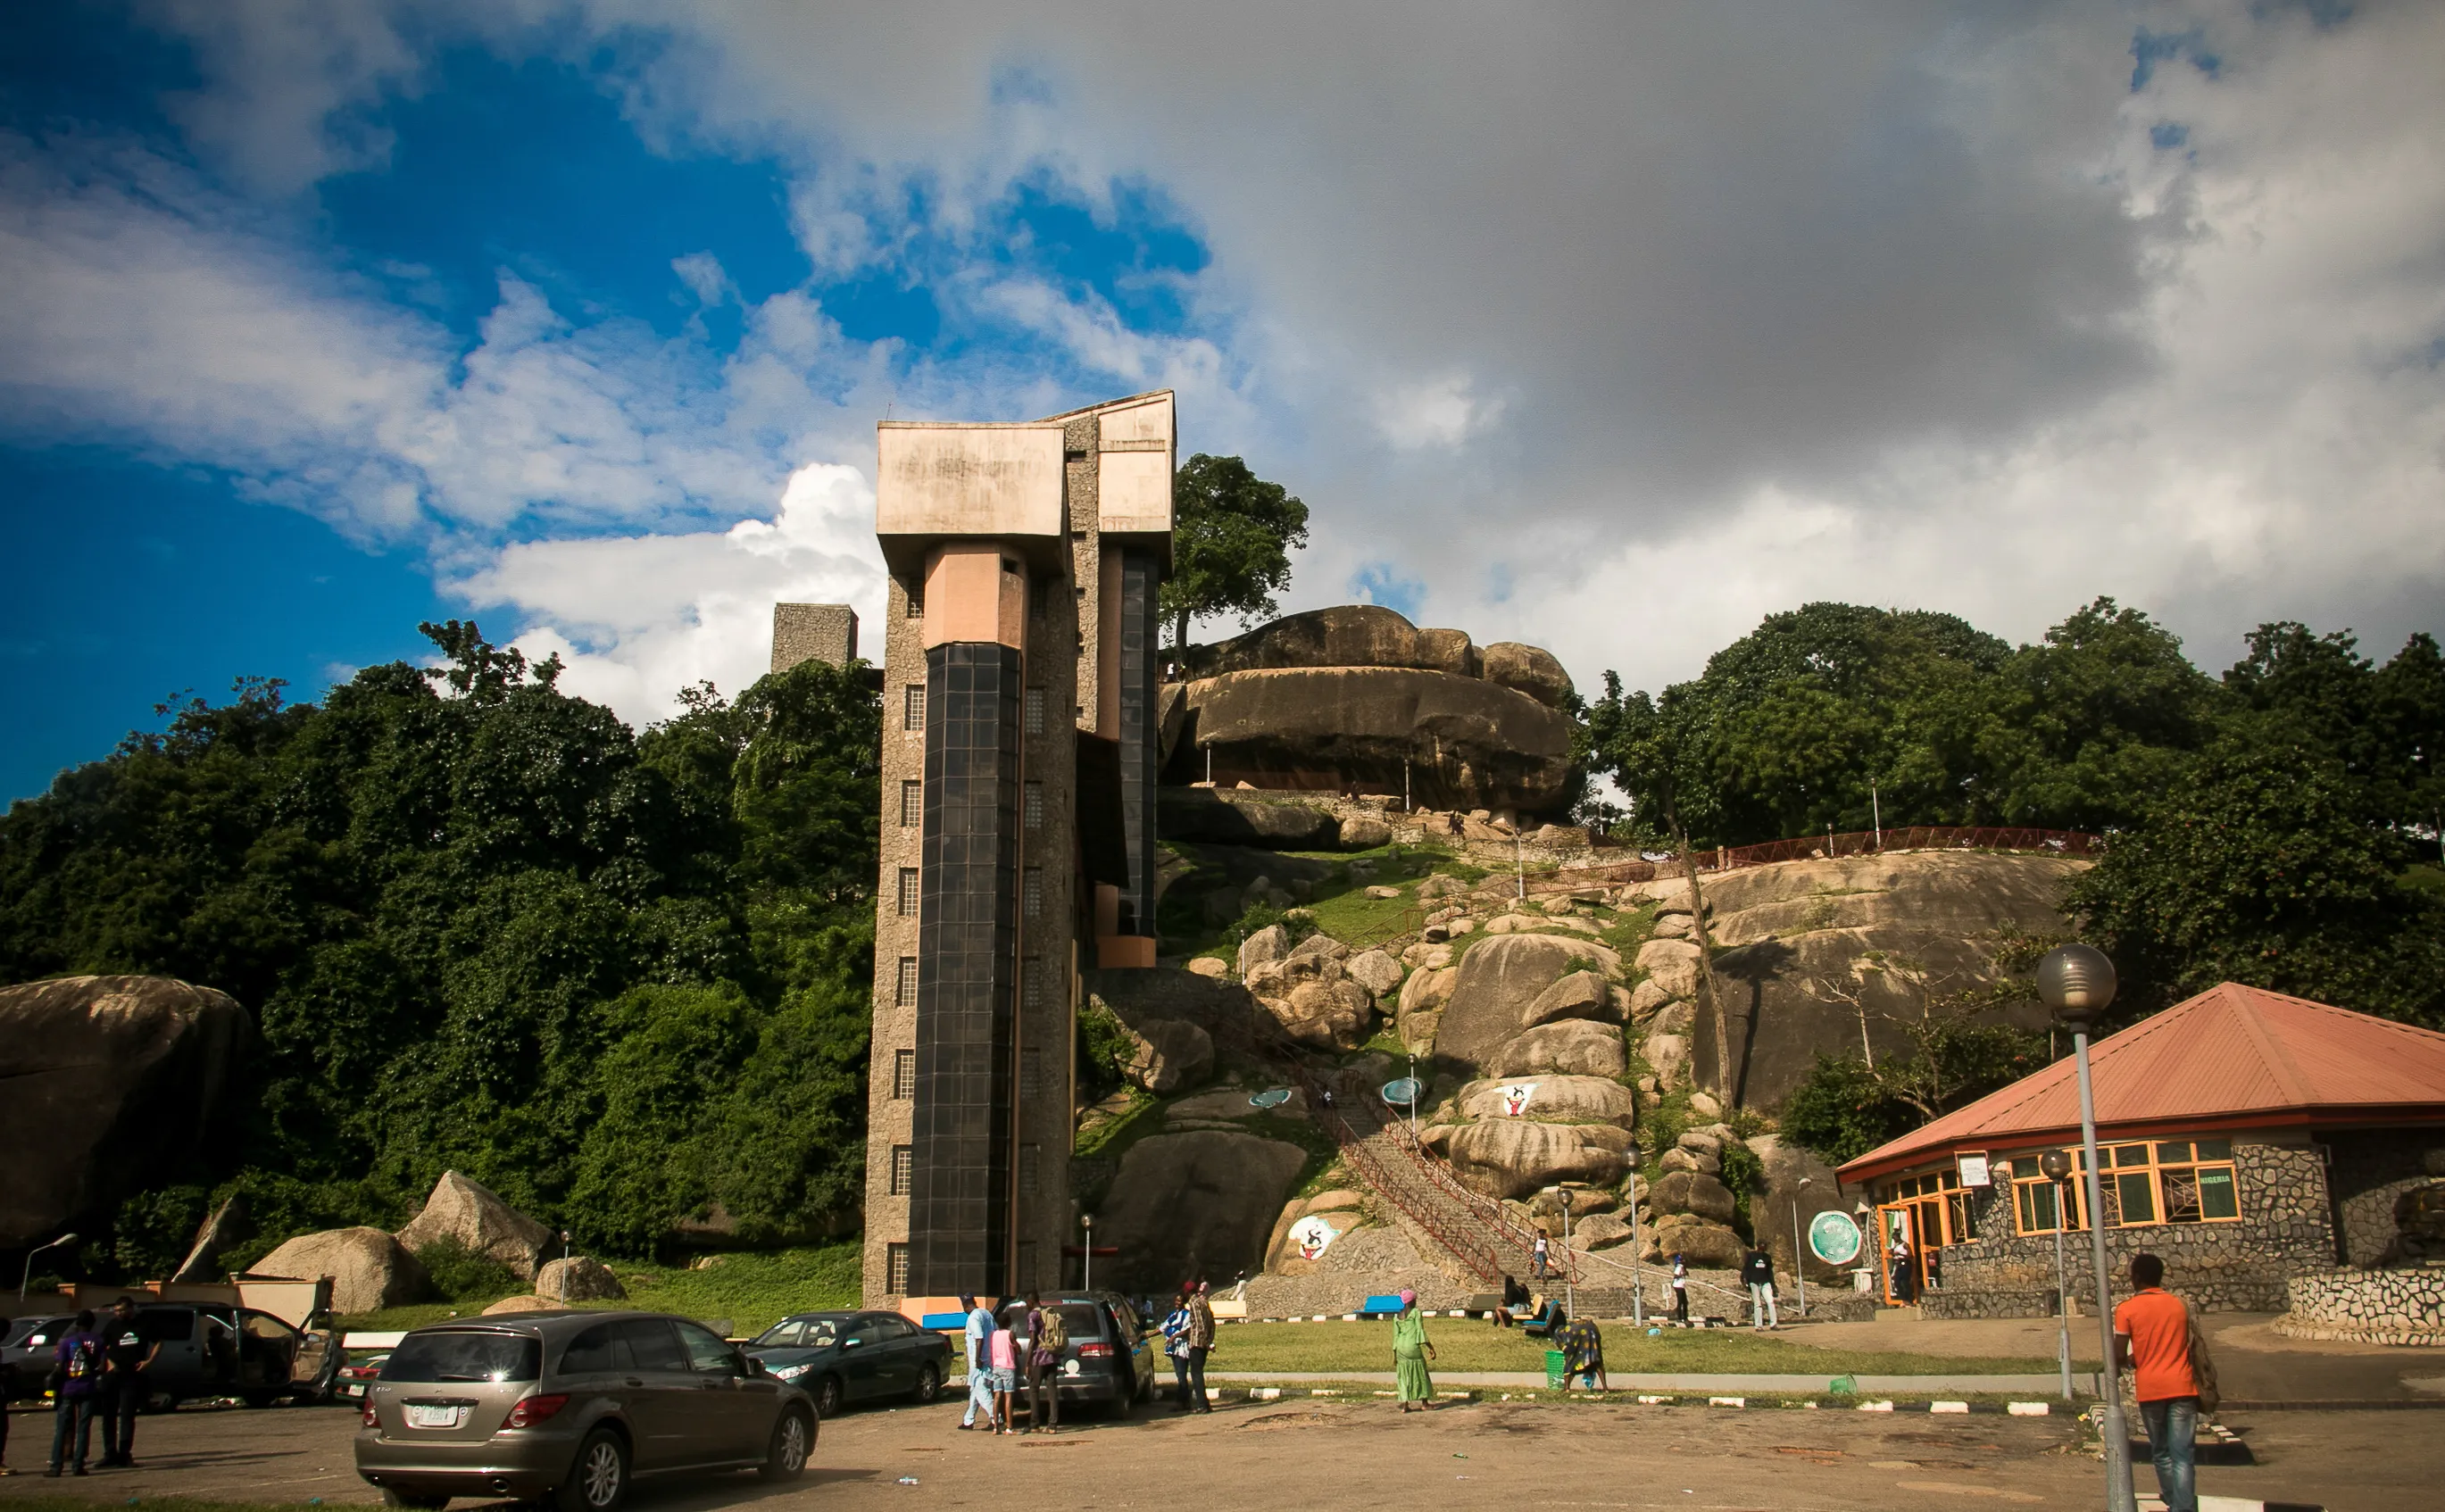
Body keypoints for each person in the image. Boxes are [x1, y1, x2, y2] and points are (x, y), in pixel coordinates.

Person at [2115, 1253, 2201, 1512]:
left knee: (2162, 1452)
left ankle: (2174, 1500)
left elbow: (2118, 1354)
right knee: (2183, 1454)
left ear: (2137, 1277)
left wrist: (2131, 1360)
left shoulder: (2127, 1309)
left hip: (2151, 1389)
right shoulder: (2178, 1305)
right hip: (2183, 1386)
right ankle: (2183, 1507)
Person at [99, 1297, 157, 1467]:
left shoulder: (143, 1324)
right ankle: (109, 1453)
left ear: (131, 1309)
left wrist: (149, 1361)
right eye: (116, 1310)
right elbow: (102, 1345)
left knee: (127, 1415)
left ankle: (125, 1454)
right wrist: (108, 1363)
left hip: (131, 1375)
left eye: (122, 1310)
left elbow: (159, 1341)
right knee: (108, 1415)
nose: (119, 1313)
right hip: (112, 1375)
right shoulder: (112, 1325)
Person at [47, 1309, 104, 1477]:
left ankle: (56, 1466)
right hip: (88, 1387)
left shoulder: (67, 1342)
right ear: (93, 1324)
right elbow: (102, 1366)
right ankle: (78, 1466)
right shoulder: (98, 1341)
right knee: (83, 1427)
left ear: (77, 1324)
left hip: (69, 1388)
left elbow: (60, 1366)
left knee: (62, 1428)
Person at [1391, 1289, 1436, 1411]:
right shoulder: (1415, 1313)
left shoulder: (1397, 1317)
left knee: (1404, 1375)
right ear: (1412, 1301)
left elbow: (1395, 1337)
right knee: (1421, 1372)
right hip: (1412, 1346)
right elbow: (1420, 1332)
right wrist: (1431, 1348)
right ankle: (1424, 1403)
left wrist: (1395, 1356)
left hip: (1400, 1348)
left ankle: (1405, 1405)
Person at [1022, 1292, 1060, 1434]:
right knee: (1052, 1391)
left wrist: (1028, 1362)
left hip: (1039, 1358)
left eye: (1027, 1302)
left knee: (1034, 1389)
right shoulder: (1048, 1313)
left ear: (1030, 1301)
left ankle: (1034, 1423)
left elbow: (1033, 1340)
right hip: (1053, 1357)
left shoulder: (1033, 1316)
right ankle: (1053, 1425)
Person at [959, 1296, 997, 1432]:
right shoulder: (986, 1313)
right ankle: (968, 1420)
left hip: (979, 1360)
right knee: (975, 1389)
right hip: (989, 1357)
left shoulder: (973, 1318)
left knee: (981, 1391)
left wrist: (977, 1358)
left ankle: (996, 1419)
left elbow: (979, 1338)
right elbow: (995, 1332)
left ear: (965, 1304)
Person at [1183, 1282, 1216, 1413]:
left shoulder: (1194, 1303)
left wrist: (1203, 1341)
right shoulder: (1203, 1301)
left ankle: (1202, 1404)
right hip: (1204, 1341)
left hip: (1197, 1342)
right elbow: (1211, 1322)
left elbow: (1199, 1325)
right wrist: (1210, 1339)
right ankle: (1205, 1403)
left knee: (1196, 1374)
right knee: (1199, 1373)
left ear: (1186, 1292)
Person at [1160, 1290, 1194, 1410]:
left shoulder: (1187, 1315)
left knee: (1181, 1375)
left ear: (1184, 1302)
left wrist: (1174, 1336)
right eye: (1176, 1300)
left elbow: (1187, 1330)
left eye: (1179, 1301)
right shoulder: (1173, 1315)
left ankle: (1182, 1402)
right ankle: (1184, 1402)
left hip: (1182, 1348)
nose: (1177, 1303)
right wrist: (1145, 1336)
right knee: (1179, 1375)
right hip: (1173, 1349)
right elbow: (1162, 1328)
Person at [986, 1315, 1019, 1434]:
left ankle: (996, 1427)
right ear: (1009, 1323)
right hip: (1008, 1366)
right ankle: (1009, 1427)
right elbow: (1017, 1350)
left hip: (996, 1366)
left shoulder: (993, 1334)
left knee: (997, 1395)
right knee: (1008, 1396)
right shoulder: (1010, 1334)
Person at [1558, 1314, 1605, 1392]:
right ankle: (1605, 1388)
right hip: (1592, 1352)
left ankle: (1566, 1388)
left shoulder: (1571, 1327)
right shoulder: (1594, 1327)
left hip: (1576, 1347)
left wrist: (1565, 1348)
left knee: (1571, 1363)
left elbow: (1563, 1337)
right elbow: (1598, 1340)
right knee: (1597, 1364)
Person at [1741, 1245, 1779, 1331]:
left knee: (1770, 1301)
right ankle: (1758, 1326)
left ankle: (1773, 1324)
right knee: (1758, 1304)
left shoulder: (1767, 1257)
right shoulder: (1751, 1255)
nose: (1763, 1248)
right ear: (1758, 1246)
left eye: (1764, 1246)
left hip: (1765, 1281)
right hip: (1754, 1282)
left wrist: (1773, 1285)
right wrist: (1745, 1280)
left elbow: (1770, 1272)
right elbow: (1746, 1269)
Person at [1889, 1228, 1916, 1304]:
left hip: (1905, 1264)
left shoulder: (1905, 1244)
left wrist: (1900, 1255)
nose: (1894, 1240)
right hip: (1899, 1265)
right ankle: (1904, 1298)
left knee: (1905, 1282)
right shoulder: (1896, 1246)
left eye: (1895, 1238)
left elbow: (1909, 1255)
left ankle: (1910, 1299)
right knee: (1896, 1282)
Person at [1669, 1253, 1689, 1325]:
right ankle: (1680, 1317)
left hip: (1681, 1286)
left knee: (1685, 1302)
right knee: (1680, 1302)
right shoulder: (1679, 1267)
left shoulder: (1683, 1267)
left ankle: (1685, 1317)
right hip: (1678, 1286)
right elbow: (1676, 1276)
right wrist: (1682, 1274)